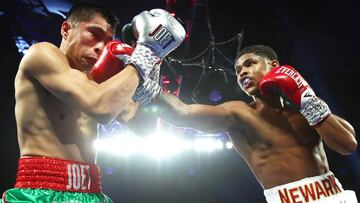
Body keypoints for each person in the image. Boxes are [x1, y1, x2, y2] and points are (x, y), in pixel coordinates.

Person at [2, 1, 185, 202]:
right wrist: (145, 54)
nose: (100, 48)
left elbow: (145, 127)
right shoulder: (42, 54)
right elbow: (101, 108)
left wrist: (150, 71)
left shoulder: (100, 84)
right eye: (94, 35)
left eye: (107, 43)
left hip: (92, 193)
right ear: (66, 29)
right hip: (40, 192)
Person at [146, 44, 358, 202]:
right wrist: (142, 75)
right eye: (238, 71)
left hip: (335, 196)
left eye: (250, 64)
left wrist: (305, 96)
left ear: (274, 66)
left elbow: (347, 145)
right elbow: (180, 113)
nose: (243, 73)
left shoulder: (304, 108)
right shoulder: (240, 113)